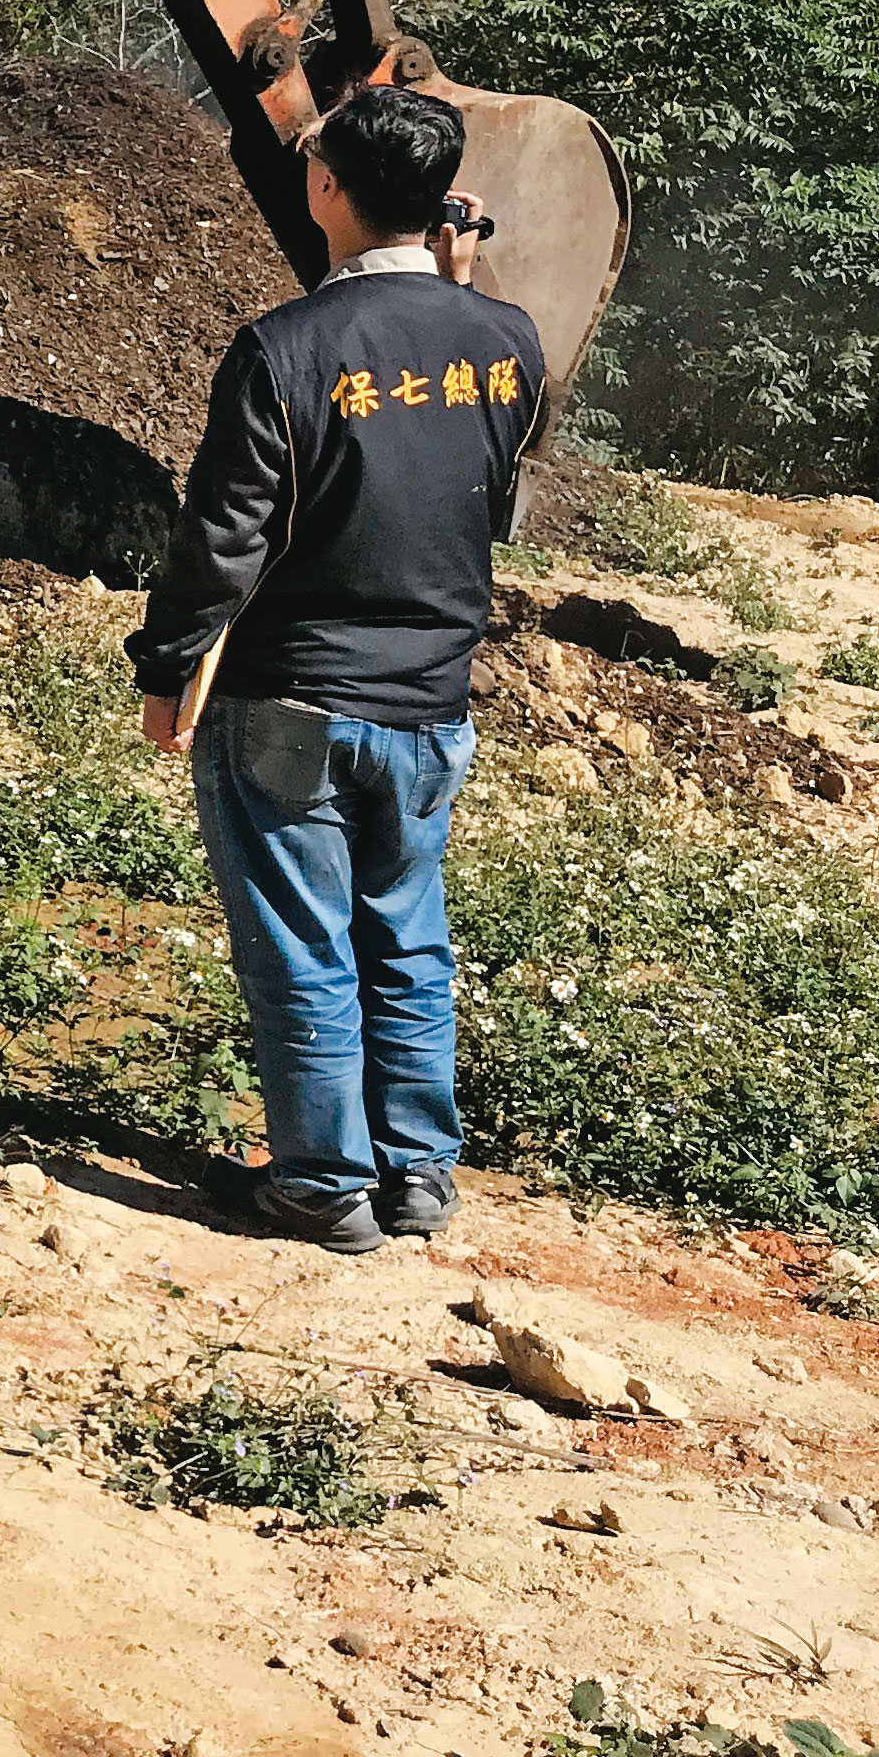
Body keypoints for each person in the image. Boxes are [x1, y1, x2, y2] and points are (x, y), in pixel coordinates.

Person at [129, 83, 543, 1258]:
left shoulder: (286, 347)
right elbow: (494, 468)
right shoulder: (505, 341)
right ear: (444, 195)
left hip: (290, 702)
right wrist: (460, 297)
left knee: (304, 943)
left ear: (325, 188)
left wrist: (168, 659)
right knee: (405, 933)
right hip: (431, 704)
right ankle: (416, 1174)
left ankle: (320, 1183)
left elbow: (224, 537)